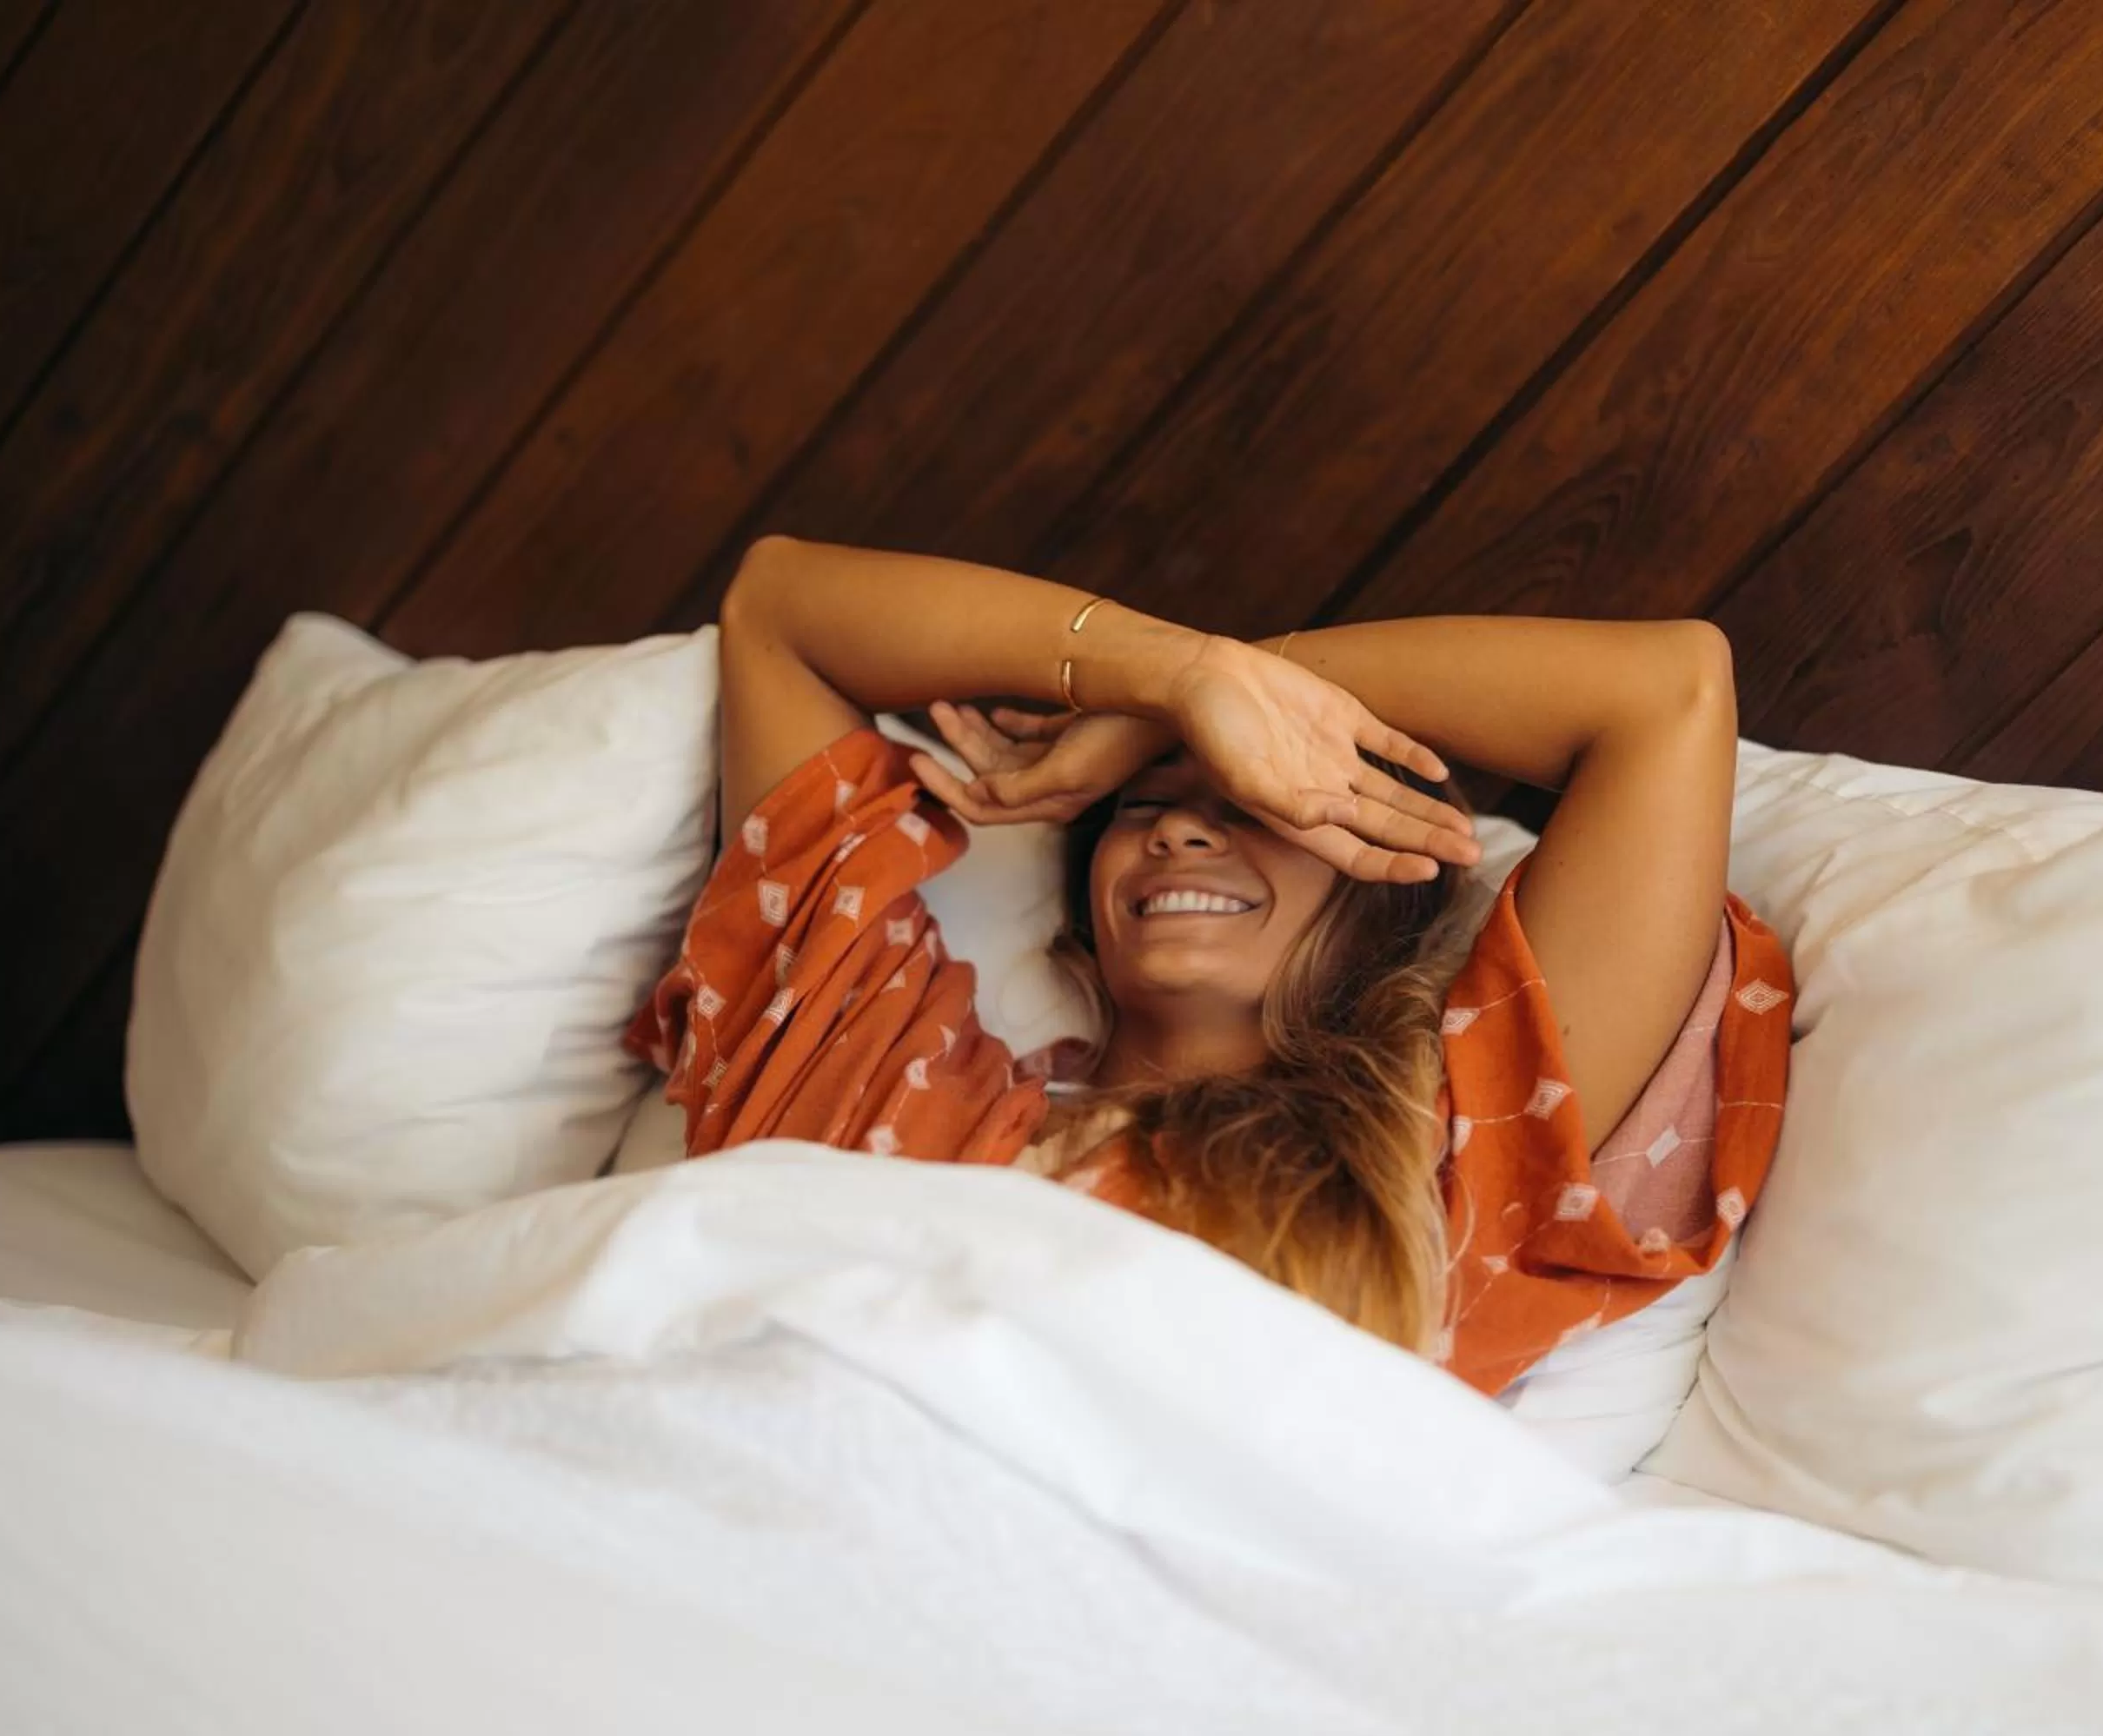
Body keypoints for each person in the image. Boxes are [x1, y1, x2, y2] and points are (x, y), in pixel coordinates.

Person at [623, 536, 1792, 1398]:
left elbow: (1667, 693)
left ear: (1383, 873)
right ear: (1083, 923)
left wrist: (1209, 697)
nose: (1180, 831)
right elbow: (777, 604)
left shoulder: (1444, 1160)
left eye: (1260, 806)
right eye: (1145, 807)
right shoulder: (882, 1095)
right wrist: (1172, 679)